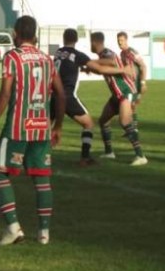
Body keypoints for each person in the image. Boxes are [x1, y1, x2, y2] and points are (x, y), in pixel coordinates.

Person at [0, 15, 65, 245]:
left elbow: (5, 92)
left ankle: (13, 228)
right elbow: (61, 93)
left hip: (17, 128)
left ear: (16, 33)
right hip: (41, 128)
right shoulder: (47, 59)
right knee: (42, 180)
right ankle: (44, 234)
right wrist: (58, 125)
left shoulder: (13, 57)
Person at [53, 28, 133, 167]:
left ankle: (36, 158)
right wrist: (123, 70)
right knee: (88, 124)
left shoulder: (58, 53)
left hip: (52, 95)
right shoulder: (78, 55)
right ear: (76, 40)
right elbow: (100, 69)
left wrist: (84, 68)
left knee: (45, 128)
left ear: (64, 38)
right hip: (67, 96)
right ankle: (85, 158)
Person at [90, 32, 148, 166]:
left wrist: (92, 63)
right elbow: (102, 69)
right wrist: (89, 67)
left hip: (125, 91)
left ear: (94, 43)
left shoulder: (107, 52)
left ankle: (140, 156)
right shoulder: (103, 55)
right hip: (117, 94)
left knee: (125, 121)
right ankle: (109, 152)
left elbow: (111, 62)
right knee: (103, 120)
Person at [116, 31, 148, 128]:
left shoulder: (132, 52)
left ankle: (132, 128)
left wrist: (143, 83)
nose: (120, 43)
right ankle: (132, 128)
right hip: (128, 84)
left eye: (122, 40)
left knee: (131, 105)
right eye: (118, 41)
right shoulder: (122, 54)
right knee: (131, 105)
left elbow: (143, 66)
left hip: (136, 84)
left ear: (126, 40)